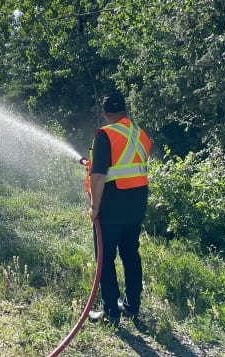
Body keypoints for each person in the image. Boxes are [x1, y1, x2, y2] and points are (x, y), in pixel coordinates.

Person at [86, 92, 151, 326]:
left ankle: (111, 311)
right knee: (131, 255)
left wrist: (94, 206)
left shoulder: (105, 134)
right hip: (137, 205)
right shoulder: (140, 134)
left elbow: (100, 175)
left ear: (104, 112)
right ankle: (132, 306)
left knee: (105, 259)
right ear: (125, 110)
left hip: (112, 207)